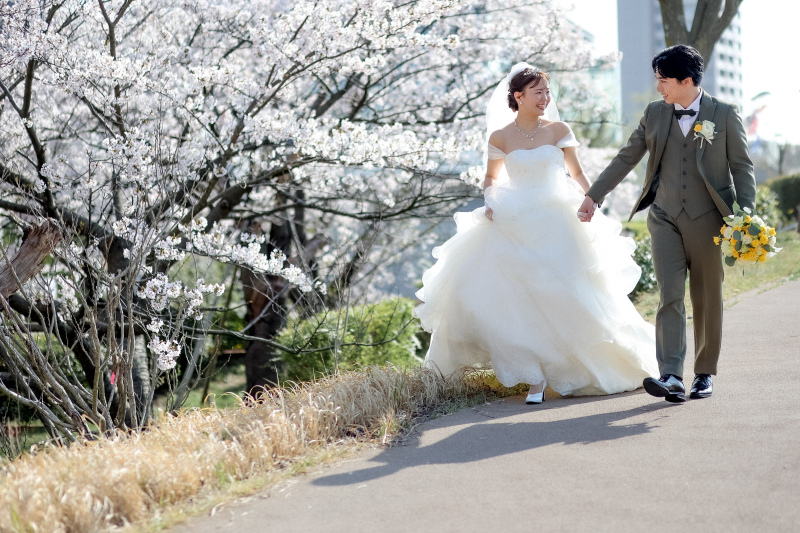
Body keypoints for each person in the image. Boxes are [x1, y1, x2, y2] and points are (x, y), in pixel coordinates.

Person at [414, 63, 658, 404]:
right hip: (515, 220)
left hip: (558, 218)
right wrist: (490, 201)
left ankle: (581, 367)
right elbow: (490, 179)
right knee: (520, 299)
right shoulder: (499, 137)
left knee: (567, 293)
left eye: (547, 92)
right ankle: (534, 376)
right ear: (518, 97)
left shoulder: (558, 130)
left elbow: (576, 172)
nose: (545, 98)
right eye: (538, 92)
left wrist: (593, 198)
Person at [578, 45, 756, 403]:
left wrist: (745, 215)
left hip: (710, 221)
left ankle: (703, 373)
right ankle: (671, 374)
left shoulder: (724, 114)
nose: (658, 88)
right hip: (663, 216)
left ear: (686, 80)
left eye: (663, 81)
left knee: (707, 297)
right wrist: (593, 195)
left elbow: (742, 167)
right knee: (669, 295)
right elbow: (627, 156)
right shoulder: (656, 114)